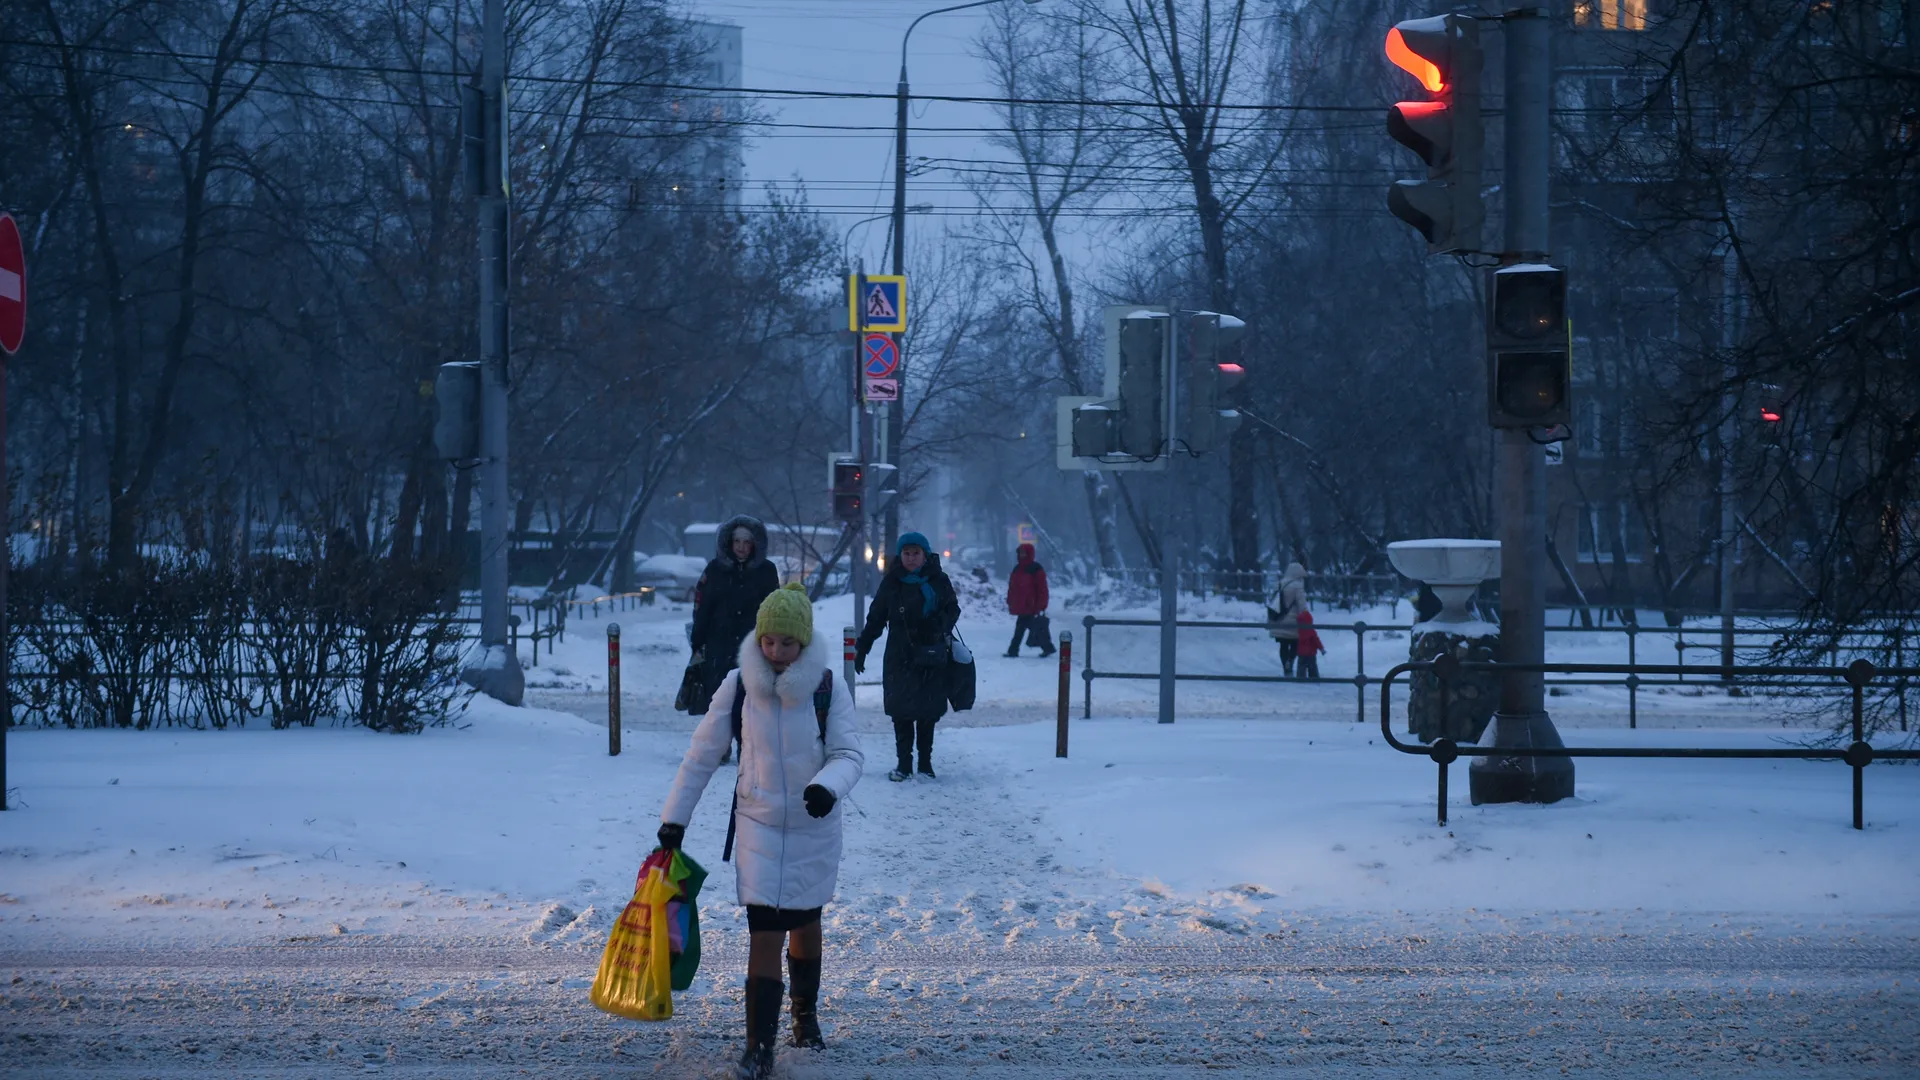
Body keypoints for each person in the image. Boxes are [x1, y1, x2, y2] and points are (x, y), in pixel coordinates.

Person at [656, 584, 863, 1080]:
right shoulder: (739, 685)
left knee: (805, 924)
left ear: (803, 642)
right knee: (765, 930)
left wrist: (826, 788)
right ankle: (758, 1047)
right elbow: (701, 755)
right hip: (758, 825)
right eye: (768, 641)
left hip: (814, 827)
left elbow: (849, 755)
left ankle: (804, 1016)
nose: (775, 652)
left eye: (786, 644)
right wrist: (674, 820)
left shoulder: (828, 688)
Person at [855, 532, 961, 782]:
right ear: (900, 556)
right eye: (906, 553)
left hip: (931, 653)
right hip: (899, 654)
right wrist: (863, 647)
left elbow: (952, 608)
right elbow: (876, 617)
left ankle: (925, 763)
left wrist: (939, 625)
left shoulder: (938, 580)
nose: (911, 558)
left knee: (927, 710)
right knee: (901, 710)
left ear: (925, 555)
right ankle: (904, 764)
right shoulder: (892, 582)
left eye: (916, 553)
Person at [689, 515, 780, 758]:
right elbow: (702, 607)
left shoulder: (766, 571)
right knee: (718, 698)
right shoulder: (715, 570)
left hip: (753, 645)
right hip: (718, 643)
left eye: (747, 542)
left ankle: (748, 747)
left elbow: (775, 609)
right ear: (728, 542)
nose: (741, 546)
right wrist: (698, 642)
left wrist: (773, 643)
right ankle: (721, 745)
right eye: (736, 541)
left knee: (751, 698)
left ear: (755, 545)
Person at [1004, 542, 1054, 658]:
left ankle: (1014, 650)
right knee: (1029, 628)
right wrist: (1010, 600)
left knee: (1029, 628)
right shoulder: (1017, 569)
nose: (1022, 555)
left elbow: (1042, 589)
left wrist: (1041, 605)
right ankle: (1046, 647)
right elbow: (1013, 587)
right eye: (1020, 552)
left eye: (1024, 553)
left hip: (1031, 606)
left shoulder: (1036, 569)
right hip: (1022, 606)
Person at [1267, 562, 1307, 677]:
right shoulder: (1298, 586)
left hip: (1279, 618)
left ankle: (1286, 667)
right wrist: (1306, 618)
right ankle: (1290, 661)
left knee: (1283, 645)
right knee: (1295, 643)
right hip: (1293, 621)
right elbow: (1302, 605)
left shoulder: (1280, 583)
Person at [1294, 610, 1326, 681]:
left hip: (1301, 653)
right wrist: (1321, 649)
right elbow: (1316, 641)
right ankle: (1314, 678)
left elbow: (1295, 642)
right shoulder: (1311, 631)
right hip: (1311, 653)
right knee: (1312, 667)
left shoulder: (1298, 631)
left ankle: (1300, 678)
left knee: (1301, 667)